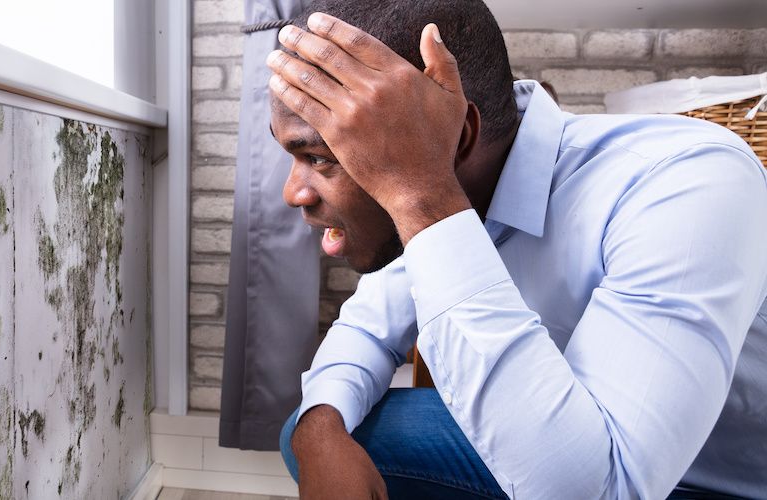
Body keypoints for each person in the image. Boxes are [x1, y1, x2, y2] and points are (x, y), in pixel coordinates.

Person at [265, 0, 767, 498]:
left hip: (701, 483)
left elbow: (610, 490)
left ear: (452, 137)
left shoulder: (684, 179)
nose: (293, 193)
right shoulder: (457, 188)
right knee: (316, 432)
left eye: (317, 157)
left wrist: (421, 193)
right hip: (566, 456)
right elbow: (365, 331)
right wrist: (319, 432)